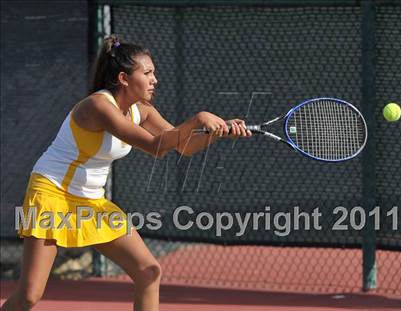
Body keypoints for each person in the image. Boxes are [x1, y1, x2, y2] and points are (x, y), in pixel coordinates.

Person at [1, 35, 251, 311]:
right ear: (123, 78)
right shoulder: (98, 107)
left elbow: (185, 146)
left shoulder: (141, 111)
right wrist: (199, 118)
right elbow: (156, 146)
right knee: (29, 295)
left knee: (148, 271)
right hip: (52, 194)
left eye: (154, 73)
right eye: (147, 73)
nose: (154, 80)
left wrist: (216, 132)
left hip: (91, 202)